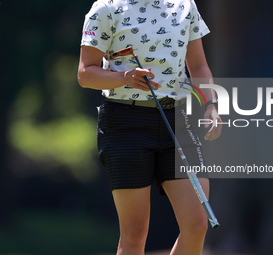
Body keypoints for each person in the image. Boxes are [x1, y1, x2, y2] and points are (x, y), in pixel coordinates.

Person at [78, 0, 222, 254]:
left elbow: (198, 65)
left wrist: (211, 103)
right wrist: (124, 78)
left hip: (177, 120)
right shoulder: (105, 8)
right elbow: (85, 73)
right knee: (134, 234)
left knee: (198, 223)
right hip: (124, 123)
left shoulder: (185, 5)